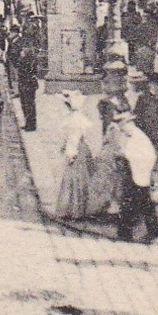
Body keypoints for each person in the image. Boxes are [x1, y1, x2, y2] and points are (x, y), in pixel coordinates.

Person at [114, 111, 158, 243]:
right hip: (136, 174)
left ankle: (125, 234)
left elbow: (148, 156)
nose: (122, 130)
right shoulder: (133, 136)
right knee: (142, 203)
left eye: (122, 127)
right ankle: (152, 230)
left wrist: (124, 155)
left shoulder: (138, 137)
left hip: (140, 174)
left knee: (131, 203)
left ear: (129, 124)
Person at [55, 92, 100, 220]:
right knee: (80, 179)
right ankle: (78, 209)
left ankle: (74, 210)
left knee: (73, 180)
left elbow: (74, 138)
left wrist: (70, 154)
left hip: (76, 151)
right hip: (82, 150)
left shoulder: (73, 120)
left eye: (66, 105)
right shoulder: (77, 117)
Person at [15, 41, 40, 132]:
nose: (24, 49)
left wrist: (22, 59)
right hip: (24, 83)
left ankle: (31, 125)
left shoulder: (31, 59)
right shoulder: (26, 58)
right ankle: (28, 123)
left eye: (26, 47)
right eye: (23, 48)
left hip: (28, 84)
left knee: (29, 105)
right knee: (25, 104)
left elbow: (28, 70)